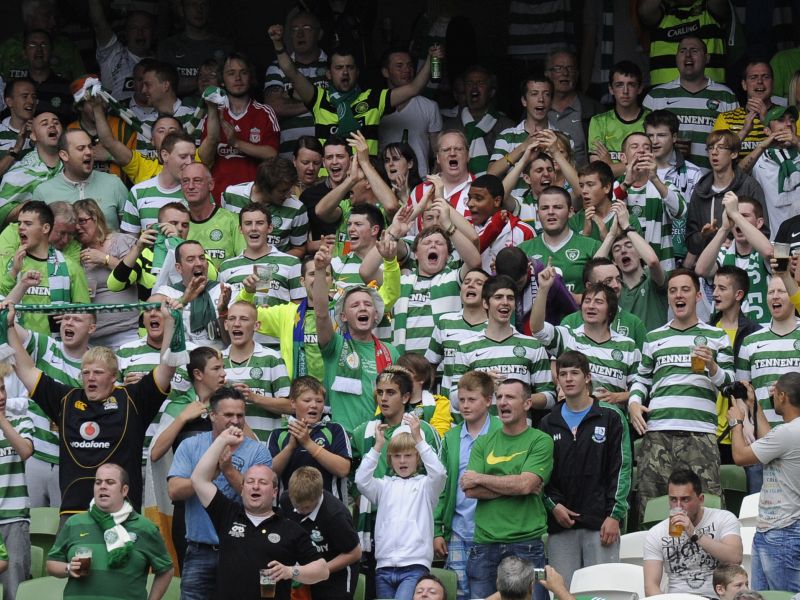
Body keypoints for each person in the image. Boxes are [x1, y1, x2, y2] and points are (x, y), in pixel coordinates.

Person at [4, 301, 178, 520]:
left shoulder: (132, 400)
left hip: (121, 514)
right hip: (74, 514)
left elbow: (167, 368)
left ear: (114, 377)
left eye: (98, 372)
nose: (90, 378)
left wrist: (170, 322)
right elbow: (25, 369)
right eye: (86, 373)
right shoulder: (67, 400)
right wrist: (9, 326)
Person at [629, 269, 735, 518]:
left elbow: (730, 385)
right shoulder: (654, 337)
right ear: (667, 297)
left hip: (700, 433)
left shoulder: (717, 336)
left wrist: (712, 366)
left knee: (707, 509)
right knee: (652, 507)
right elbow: (641, 379)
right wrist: (633, 403)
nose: (678, 295)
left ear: (698, 296)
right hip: (658, 432)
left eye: (685, 290)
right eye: (673, 290)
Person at [190, 424, 328, 600]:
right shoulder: (227, 513)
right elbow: (199, 479)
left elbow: (322, 570)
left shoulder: (290, 529)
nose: (255, 486)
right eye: (250, 481)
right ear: (242, 489)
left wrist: (290, 571)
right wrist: (222, 439)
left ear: (274, 492)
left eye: (263, 482)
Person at [267, 24, 443, 155]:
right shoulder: (320, 98)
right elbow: (291, 72)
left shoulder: (373, 99)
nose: (345, 72)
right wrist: (278, 44)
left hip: (364, 181)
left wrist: (430, 59)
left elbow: (414, 88)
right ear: (328, 74)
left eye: (350, 67)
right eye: (339, 68)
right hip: (329, 181)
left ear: (357, 72)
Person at [168, 386, 272, 600]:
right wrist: (208, 475)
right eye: (229, 415)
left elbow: (260, 500)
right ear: (212, 415)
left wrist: (229, 470)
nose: (235, 421)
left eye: (240, 415)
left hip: (241, 547)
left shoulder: (258, 451)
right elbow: (174, 491)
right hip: (199, 550)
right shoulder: (190, 445)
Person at [539, 351, 631, 585]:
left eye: (575, 373)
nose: (569, 379)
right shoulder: (548, 422)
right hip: (561, 523)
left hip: (602, 524)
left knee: (602, 591)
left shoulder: (611, 416)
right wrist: (553, 506)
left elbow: (621, 469)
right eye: (563, 374)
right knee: (562, 592)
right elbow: (542, 474)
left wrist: (614, 516)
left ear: (588, 377)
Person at [350, 366, 441, 599]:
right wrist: (377, 448)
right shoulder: (363, 432)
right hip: (377, 536)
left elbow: (440, 478)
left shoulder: (425, 432)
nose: (383, 398)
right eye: (380, 392)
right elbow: (356, 478)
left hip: (415, 547)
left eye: (391, 392)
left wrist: (438, 530)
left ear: (406, 397)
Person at [462, 378, 554, 600]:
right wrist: (518, 486)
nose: (502, 402)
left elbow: (526, 484)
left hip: (527, 543)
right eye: (499, 397)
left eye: (510, 397)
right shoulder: (483, 442)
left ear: (527, 404)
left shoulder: (541, 440)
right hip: (484, 543)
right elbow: (470, 490)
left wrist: (481, 478)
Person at [46, 464, 174, 600]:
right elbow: (51, 563)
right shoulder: (74, 523)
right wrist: (68, 568)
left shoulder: (145, 528)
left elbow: (166, 570)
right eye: (98, 482)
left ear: (124, 490)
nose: (102, 486)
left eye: (110, 482)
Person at [312, 242, 399, 434]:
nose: (362, 308)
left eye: (368, 305)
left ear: (376, 315)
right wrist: (319, 270)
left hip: (379, 438)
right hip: (342, 439)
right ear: (343, 316)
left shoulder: (390, 352)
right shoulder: (335, 345)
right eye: (355, 305)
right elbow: (321, 313)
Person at [729, 370, 800, 592]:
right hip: (775, 530)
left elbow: (740, 456)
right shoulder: (789, 432)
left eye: (775, 393)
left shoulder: (788, 432)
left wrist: (736, 422)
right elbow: (770, 441)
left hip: (782, 530)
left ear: (783, 396)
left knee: (785, 597)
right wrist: (754, 406)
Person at [434, 370, 501, 600]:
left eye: (472, 399)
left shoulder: (502, 432)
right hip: (458, 531)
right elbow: (441, 488)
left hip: (493, 531)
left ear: (488, 401)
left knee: (487, 593)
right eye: (461, 399)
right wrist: (437, 530)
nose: (465, 405)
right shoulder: (451, 437)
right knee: (459, 592)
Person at [532, 267, 639, 406]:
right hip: (573, 416)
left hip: (611, 417)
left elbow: (641, 387)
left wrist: (616, 397)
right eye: (587, 301)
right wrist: (543, 289)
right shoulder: (568, 336)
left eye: (598, 302)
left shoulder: (628, 346)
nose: (591, 306)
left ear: (610, 311)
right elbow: (537, 328)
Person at [642, 469, 743, 598]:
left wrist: (695, 534)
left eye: (685, 499)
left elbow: (735, 558)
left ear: (700, 499)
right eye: (673, 500)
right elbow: (650, 587)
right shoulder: (656, 533)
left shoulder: (723, 519)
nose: (678, 506)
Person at [642, 36, 738, 170]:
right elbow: (641, 144)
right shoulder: (656, 96)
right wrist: (669, 147)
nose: (688, 55)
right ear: (676, 58)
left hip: (713, 179)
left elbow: (736, 144)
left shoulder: (726, 96)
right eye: (682, 51)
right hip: (665, 179)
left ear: (707, 58)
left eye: (694, 50)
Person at [0, 201, 89, 336]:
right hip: (15, 343)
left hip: (54, 345)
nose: (21, 228)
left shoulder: (70, 266)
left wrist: (71, 316)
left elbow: (86, 312)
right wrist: (14, 271)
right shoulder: (11, 261)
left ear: (46, 228)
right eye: (20, 223)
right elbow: (1, 301)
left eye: (28, 224)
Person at [199, 52, 279, 198]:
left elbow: (272, 154)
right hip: (218, 197)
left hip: (254, 198)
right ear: (222, 80)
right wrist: (213, 130)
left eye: (243, 72)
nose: (238, 78)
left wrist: (236, 143)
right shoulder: (213, 114)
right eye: (231, 73)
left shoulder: (265, 112)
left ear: (251, 78)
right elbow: (204, 159)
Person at [707, 266, 761, 473]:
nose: (715, 293)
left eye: (722, 288)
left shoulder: (754, 333)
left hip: (743, 427)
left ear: (738, 294)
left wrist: (748, 420)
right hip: (710, 426)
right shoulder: (706, 330)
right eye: (714, 287)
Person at [280, 466, 362, 600]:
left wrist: (319, 571)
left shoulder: (335, 516)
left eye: (306, 507)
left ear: (318, 496)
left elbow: (355, 552)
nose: (299, 510)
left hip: (336, 575)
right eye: (296, 505)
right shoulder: (286, 500)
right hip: (304, 571)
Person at [685, 130, 766, 258]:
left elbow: (764, 232)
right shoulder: (701, 190)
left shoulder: (749, 186)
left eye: (721, 147)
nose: (714, 152)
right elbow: (690, 243)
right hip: (708, 263)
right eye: (710, 148)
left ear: (734, 154)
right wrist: (703, 236)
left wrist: (735, 244)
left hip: (744, 263)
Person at [695, 192, 773, 325]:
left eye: (745, 216)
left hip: (761, 330)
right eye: (733, 216)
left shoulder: (768, 248)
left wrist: (735, 214)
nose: (737, 221)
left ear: (759, 222)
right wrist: (724, 229)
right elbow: (701, 270)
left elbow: (768, 252)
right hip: (725, 332)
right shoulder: (723, 253)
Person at [268, 377, 351, 501]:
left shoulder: (335, 429)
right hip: (289, 509)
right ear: (293, 403)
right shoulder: (278, 434)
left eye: (319, 401)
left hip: (328, 509)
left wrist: (308, 443)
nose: (314, 405)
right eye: (307, 400)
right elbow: (268, 475)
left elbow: (343, 469)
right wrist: (290, 448)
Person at [72, 198, 139, 348]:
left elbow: (135, 276)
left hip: (124, 332)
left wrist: (105, 259)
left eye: (82, 221)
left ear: (95, 218)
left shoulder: (121, 241)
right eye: (74, 223)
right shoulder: (75, 251)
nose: (77, 227)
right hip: (91, 337)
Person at [29, 129, 128, 231]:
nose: (89, 152)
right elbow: (36, 234)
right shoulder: (43, 192)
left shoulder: (113, 183)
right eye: (81, 148)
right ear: (64, 155)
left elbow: (131, 231)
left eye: (90, 147)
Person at [222, 301, 291, 442]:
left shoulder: (272, 358)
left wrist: (254, 398)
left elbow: (290, 406)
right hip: (226, 447)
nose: (237, 324)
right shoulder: (217, 360)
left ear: (256, 326)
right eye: (232, 318)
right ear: (226, 324)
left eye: (244, 319)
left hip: (265, 447)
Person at [263, 11, 329, 158]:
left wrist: (292, 97)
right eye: (294, 30)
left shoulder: (333, 65)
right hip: (289, 157)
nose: (300, 34)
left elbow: (340, 102)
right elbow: (274, 107)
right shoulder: (277, 67)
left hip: (328, 157)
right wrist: (319, 101)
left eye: (306, 28)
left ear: (319, 34)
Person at [617, 131, 686, 271]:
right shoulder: (616, 187)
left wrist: (654, 178)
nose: (641, 150)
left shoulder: (664, 186)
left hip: (662, 268)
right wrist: (626, 184)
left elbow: (681, 211)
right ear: (623, 157)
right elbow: (607, 215)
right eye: (634, 146)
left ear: (652, 156)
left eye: (646, 148)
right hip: (625, 270)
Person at [643, 109, 704, 264]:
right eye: (650, 135)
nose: (654, 141)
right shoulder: (636, 172)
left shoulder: (693, 173)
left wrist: (688, 262)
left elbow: (699, 221)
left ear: (675, 137)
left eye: (661, 135)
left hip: (681, 257)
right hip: (644, 256)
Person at [217, 202, 304, 311]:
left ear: (270, 228)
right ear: (240, 229)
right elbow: (221, 309)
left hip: (277, 322)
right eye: (248, 223)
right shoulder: (226, 267)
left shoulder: (291, 263)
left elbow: (300, 309)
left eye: (259, 223)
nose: (254, 228)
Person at [517, 186, 601, 297]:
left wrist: (577, 299)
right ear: (538, 213)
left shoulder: (592, 246)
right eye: (545, 208)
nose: (550, 212)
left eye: (557, 207)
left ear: (570, 212)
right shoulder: (522, 250)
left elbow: (605, 292)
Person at [220, 157, 308, 257]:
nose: (288, 195)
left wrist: (272, 261)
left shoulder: (297, 208)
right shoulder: (231, 196)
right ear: (265, 188)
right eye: (282, 191)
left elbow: (299, 249)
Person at [597, 210, 668, 332]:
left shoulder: (652, 278)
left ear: (640, 254)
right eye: (617, 249)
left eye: (629, 246)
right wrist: (611, 235)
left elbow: (652, 261)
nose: (623, 251)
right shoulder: (613, 287)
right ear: (614, 261)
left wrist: (627, 227)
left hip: (653, 343)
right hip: (623, 344)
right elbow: (593, 270)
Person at [425, 269, 488, 403]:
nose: (471, 285)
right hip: (448, 408)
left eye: (479, 283)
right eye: (466, 282)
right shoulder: (445, 322)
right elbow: (429, 366)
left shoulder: (494, 328)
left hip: (482, 406)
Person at [487, 73, 559, 190]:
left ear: (551, 102)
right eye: (534, 94)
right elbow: (491, 174)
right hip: (514, 201)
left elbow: (572, 182)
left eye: (546, 94)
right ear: (524, 101)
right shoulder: (507, 136)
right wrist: (523, 148)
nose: (541, 99)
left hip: (552, 200)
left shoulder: (562, 137)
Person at [378, 48, 442, 177]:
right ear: (385, 72)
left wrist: (431, 181)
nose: (406, 70)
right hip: (385, 181)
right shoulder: (375, 107)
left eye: (409, 65)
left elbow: (438, 152)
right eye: (399, 66)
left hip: (420, 181)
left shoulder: (429, 107)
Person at [559, 256, 647, 348]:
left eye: (618, 279)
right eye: (608, 281)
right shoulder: (571, 322)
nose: (616, 285)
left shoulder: (634, 324)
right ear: (589, 286)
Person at [738, 105, 800, 236]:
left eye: (792, 120)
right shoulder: (759, 159)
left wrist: (797, 142)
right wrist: (761, 146)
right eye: (781, 120)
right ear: (767, 131)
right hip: (773, 240)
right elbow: (735, 175)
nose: (789, 124)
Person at [441, 66, 514, 176]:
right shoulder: (450, 127)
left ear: (491, 92)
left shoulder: (507, 126)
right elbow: (440, 166)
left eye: (480, 83)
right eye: (469, 83)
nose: (474, 87)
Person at [156, 239, 229, 349]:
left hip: (219, 355)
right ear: (178, 268)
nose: (199, 263)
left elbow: (232, 342)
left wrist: (223, 312)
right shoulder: (166, 292)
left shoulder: (225, 290)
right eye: (190, 260)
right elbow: (152, 312)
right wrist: (184, 299)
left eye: (202, 258)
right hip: (183, 357)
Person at [0, 364, 34, 600]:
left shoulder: (21, 421)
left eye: (2, 389)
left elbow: (25, 451)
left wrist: (2, 421)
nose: (1, 396)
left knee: (15, 591)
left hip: (14, 519)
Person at [120, 131, 197, 234]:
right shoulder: (138, 192)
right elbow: (128, 240)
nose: (189, 162)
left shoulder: (200, 192)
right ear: (165, 155)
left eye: (192, 157)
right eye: (183, 157)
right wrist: (140, 242)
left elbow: (208, 236)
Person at [637, 0, 728, 86]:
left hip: (711, 94)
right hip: (664, 95)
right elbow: (645, 12)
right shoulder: (662, 12)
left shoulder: (709, 8)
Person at [713, 61, 788, 160]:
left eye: (765, 77)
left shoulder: (789, 116)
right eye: (753, 77)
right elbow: (718, 158)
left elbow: (794, 153)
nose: (760, 81)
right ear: (744, 85)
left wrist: (767, 121)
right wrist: (744, 131)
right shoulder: (726, 118)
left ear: (773, 83)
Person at [0, 109, 63, 225]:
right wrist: (37, 205)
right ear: (33, 136)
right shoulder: (20, 171)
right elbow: (1, 213)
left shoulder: (74, 166)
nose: (52, 125)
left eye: (56, 122)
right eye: (44, 123)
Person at [587, 61, 648, 177]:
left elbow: (651, 165)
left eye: (631, 85)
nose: (625, 91)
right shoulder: (598, 122)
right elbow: (597, 172)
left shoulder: (651, 120)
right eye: (619, 85)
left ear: (640, 88)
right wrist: (635, 163)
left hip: (642, 186)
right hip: (608, 188)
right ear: (611, 89)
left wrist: (609, 165)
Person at [545, 48, 604, 168]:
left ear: (577, 75)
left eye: (570, 68)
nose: (565, 73)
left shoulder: (594, 109)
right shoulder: (537, 109)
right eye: (558, 68)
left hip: (583, 177)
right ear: (547, 74)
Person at [181, 162, 244, 269]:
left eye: (197, 180)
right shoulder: (178, 224)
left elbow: (244, 261)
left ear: (211, 185)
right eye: (185, 181)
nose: (190, 186)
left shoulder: (232, 221)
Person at [88, 0, 155, 101]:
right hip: (118, 111)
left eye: (145, 27)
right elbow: (99, 23)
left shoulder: (161, 62)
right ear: (126, 33)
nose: (140, 32)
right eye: (134, 28)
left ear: (153, 33)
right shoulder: (113, 54)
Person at [468, 174, 535, 271]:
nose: (470, 204)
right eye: (469, 198)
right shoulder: (465, 231)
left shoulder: (524, 231)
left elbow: (532, 272)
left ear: (497, 201)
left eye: (478, 198)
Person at [0, 78, 36, 175]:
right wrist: (16, 149)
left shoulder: (47, 130)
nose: (31, 101)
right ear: (9, 102)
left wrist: (39, 141)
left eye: (34, 97)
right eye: (25, 96)